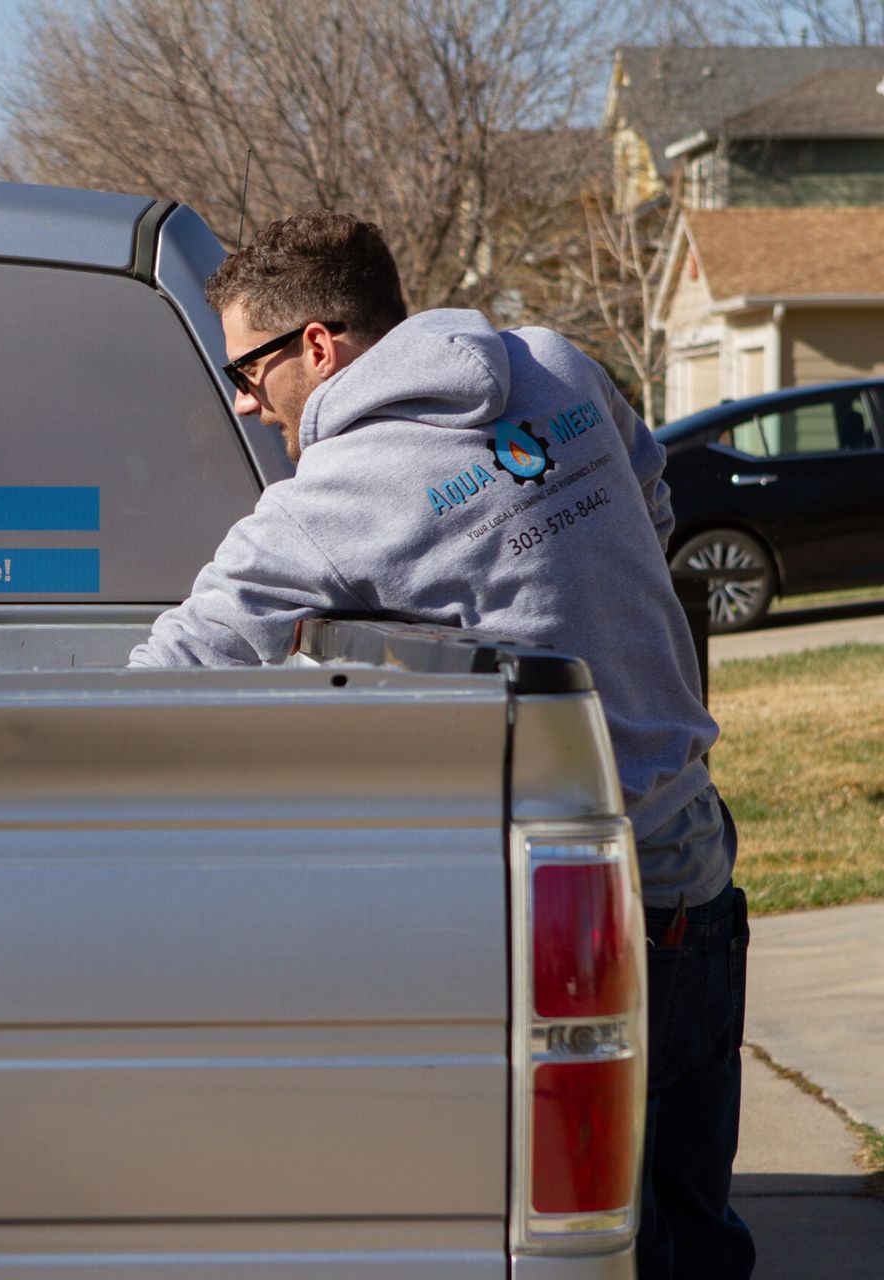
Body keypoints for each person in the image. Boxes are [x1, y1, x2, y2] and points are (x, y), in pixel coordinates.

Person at [130, 211, 753, 1279]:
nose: (242, 397)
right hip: (698, 848)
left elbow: (170, 678)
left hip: (575, 910)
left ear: (317, 346)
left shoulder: (323, 505)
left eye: (247, 369)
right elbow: (652, 493)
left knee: (590, 1241)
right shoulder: (551, 361)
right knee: (697, 1223)